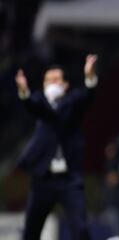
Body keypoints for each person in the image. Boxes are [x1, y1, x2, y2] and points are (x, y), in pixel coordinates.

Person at [15, 54, 98, 240]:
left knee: (80, 229)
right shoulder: (40, 102)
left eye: (56, 79)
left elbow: (88, 96)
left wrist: (90, 77)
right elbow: (32, 105)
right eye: (48, 80)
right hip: (43, 178)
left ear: (65, 84)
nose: (52, 83)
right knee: (31, 231)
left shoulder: (74, 101)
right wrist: (24, 92)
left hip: (69, 180)